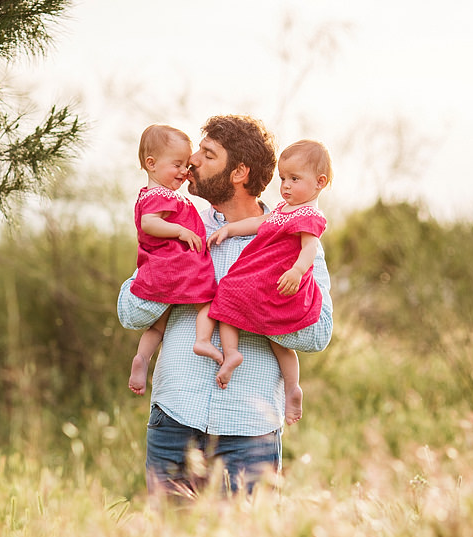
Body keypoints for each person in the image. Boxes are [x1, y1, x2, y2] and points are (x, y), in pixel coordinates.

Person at [117, 115, 333, 497]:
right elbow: (129, 313)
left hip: (250, 432)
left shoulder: (297, 239)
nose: (194, 161)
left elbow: (318, 334)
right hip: (174, 420)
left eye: (208, 154)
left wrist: (249, 303)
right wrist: (177, 280)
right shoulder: (179, 226)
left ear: (239, 172)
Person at [194, 139, 332, 425]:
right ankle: (255, 367)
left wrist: (296, 272)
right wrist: (231, 229)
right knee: (269, 333)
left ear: (320, 182)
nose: (286, 186)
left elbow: (309, 249)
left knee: (235, 304)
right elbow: (261, 223)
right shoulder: (283, 211)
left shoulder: (311, 216)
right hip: (269, 279)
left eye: (295, 179)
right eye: (283, 178)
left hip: (281, 279)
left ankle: (289, 385)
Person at [126, 124, 219, 395]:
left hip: (163, 270)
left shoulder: (156, 194)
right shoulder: (159, 195)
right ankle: (202, 339)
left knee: (158, 326)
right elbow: (148, 223)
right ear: (151, 164)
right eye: (177, 164)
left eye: (186, 165)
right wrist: (180, 230)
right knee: (210, 300)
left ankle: (142, 358)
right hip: (176, 268)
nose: (184, 171)